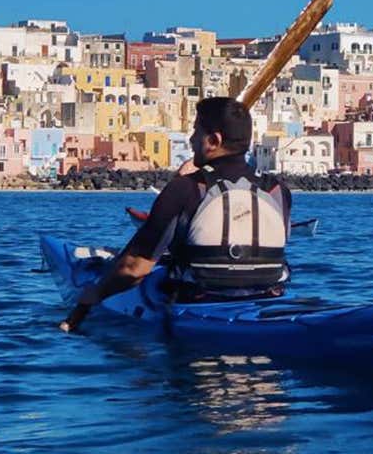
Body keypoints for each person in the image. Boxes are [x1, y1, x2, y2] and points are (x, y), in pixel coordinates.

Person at [59, 97, 291, 332]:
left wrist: (96, 293)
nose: (191, 140)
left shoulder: (185, 189)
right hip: (266, 304)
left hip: (198, 310)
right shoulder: (277, 191)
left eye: (195, 131)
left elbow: (134, 269)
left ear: (213, 141)